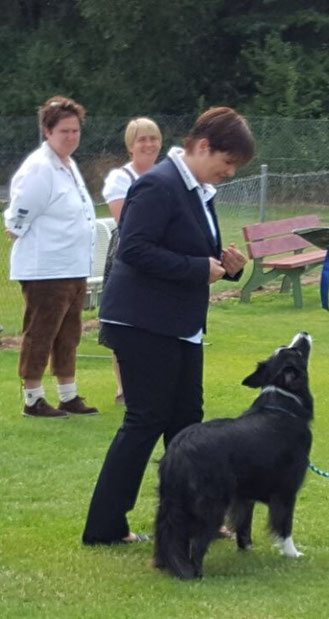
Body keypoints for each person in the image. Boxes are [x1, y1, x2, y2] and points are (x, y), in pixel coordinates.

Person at [82, 106, 255, 545]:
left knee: (186, 424)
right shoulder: (158, 185)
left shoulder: (197, 189)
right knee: (146, 421)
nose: (229, 172)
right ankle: (105, 526)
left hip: (179, 324)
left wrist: (227, 267)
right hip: (142, 321)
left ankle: (195, 517)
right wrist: (199, 268)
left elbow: (195, 250)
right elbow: (134, 251)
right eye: (227, 161)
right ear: (201, 146)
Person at [4, 95, 99, 419]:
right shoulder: (40, 169)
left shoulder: (68, 165)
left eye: (75, 130)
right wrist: (16, 228)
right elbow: (18, 215)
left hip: (72, 266)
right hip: (46, 268)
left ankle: (68, 394)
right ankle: (33, 397)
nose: (71, 137)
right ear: (47, 131)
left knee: (69, 333)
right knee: (41, 332)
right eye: (64, 131)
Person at [100, 117, 162, 405]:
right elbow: (126, 222)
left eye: (153, 138)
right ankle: (124, 388)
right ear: (130, 146)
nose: (148, 144)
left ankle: (153, 381)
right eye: (142, 139)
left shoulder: (165, 175)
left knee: (156, 321)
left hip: (161, 256)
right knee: (126, 325)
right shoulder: (120, 179)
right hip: (129, 257)